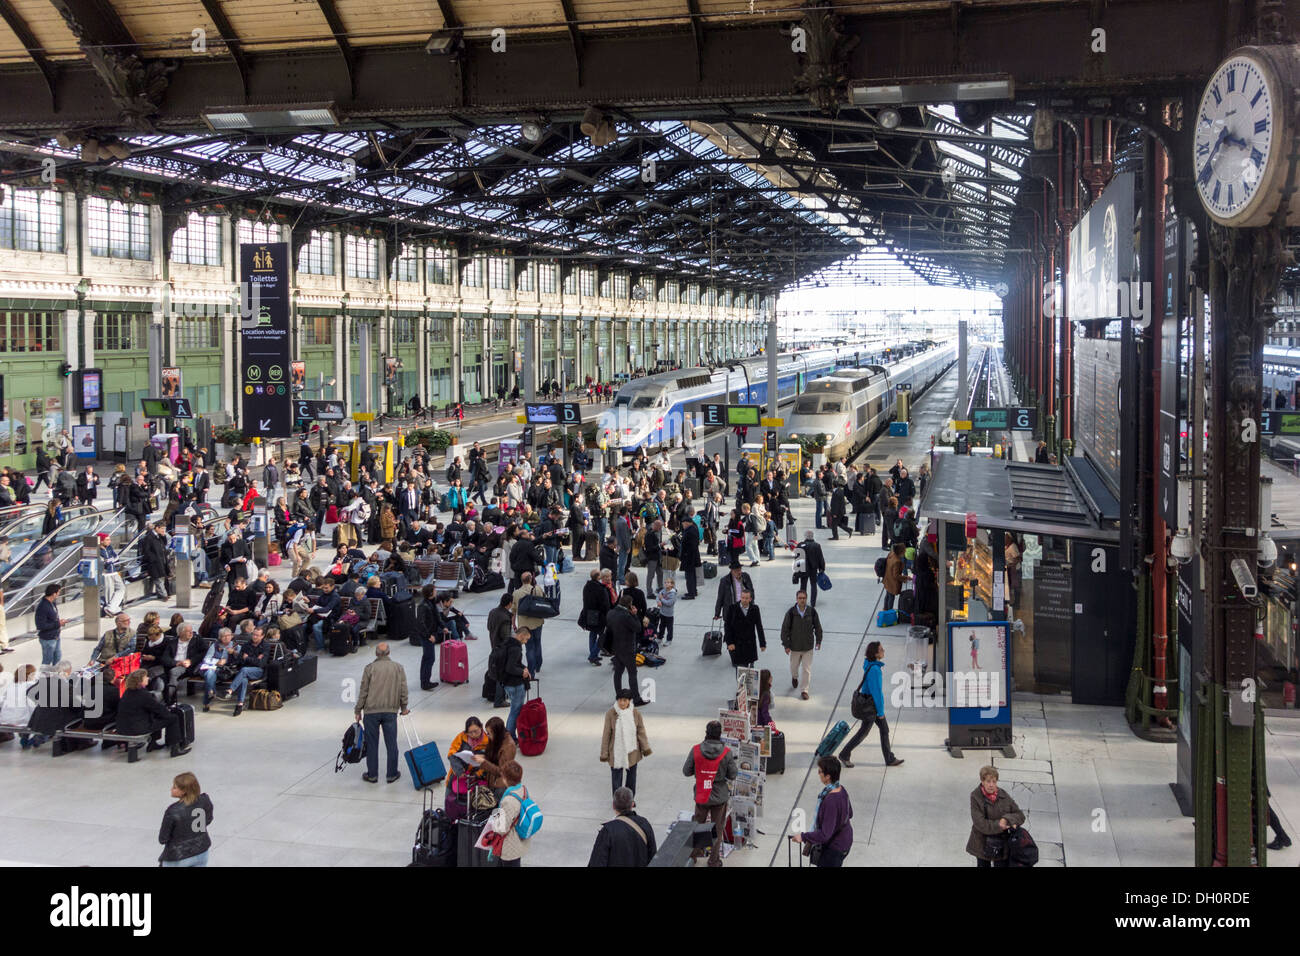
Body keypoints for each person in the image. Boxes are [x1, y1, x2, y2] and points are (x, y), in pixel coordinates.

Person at [839, 641, 904, 769]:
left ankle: (889, 758)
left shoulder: (870, 664)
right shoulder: (875, 669)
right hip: (871, 706)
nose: (884, 651)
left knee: (882, 730)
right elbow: (876, 693)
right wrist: (880, 713)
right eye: (881, 649)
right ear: (875, 654)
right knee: (865, 733)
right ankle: (844, 754)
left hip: (869, 704)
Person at [682, 720, 738, 868]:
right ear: (720, 735)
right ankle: (713, 860)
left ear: (706, 733)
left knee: (697, 825)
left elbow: (686, 771)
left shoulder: (696, 750)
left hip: (702, 794)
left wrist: (700, 772)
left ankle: (693, 855)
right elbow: (733, 774)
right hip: (719, 796)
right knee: (718, 829)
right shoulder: (726, 753)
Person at [355, 642, 410, 784]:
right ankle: (391, 774)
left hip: (371, 712)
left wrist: (358, 710)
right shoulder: (398, 668)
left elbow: (363, 691)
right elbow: (403, 690)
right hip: (390, 711)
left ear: (376, 653)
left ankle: (372, 775)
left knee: (372, 744)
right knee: (391, 744)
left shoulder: (369, 668)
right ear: (389, 653)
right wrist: (403, 707)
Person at [790, 755, 853, 867]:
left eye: (820, 771)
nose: (818, 774)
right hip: (846, 840)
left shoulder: (830, 801)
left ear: (828, 776)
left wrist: (803, 837)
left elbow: (825, 835)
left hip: (835, 849)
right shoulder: (841, 789)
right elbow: (850, 814)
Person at [118, 669, 191, 757]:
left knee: (156, 716)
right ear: (140, 681)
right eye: (146, 677)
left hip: (123, 727)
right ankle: (175, 749)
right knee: (173, 718)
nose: (148, 678)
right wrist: (169, 714)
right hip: (137, 728)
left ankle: (153, 744)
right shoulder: (143, 695)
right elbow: (159, 709)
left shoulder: (127, 692)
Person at [966, 765, 1025, 867]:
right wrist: (1000, 825)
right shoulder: (975, 796)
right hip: (982, 843)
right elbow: (980, 823)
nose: (991, 785)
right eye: (988, 781)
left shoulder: (1003, 795)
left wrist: (1007, 819)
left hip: (1002, 843)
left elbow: (1020, 815)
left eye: (994, 781)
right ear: (982, 781)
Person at [599, 688, 652, 796]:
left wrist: (645, 747)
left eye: (625, 700)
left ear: (629, 701)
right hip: (616, 752)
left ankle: (630, 799)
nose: (622, 703)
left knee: (631, 778)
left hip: (632, 751)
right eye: (620, 700)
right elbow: (606, 735)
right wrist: (604, 753)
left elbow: (641, 731)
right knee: (616, 778)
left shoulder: (635, 713)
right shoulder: (611, 714)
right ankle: (617, 800)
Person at [588, 786, 657, 867]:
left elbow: (597, 862)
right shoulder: (644, 824)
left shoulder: (608, 831)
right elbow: (653, 857)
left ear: (613, 805)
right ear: (632, 804)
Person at [158, 772, 214, 867]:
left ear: (184, 791)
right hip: (201, 850)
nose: (171, 789)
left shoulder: (172, 811)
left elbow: (163, 838)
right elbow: (208, 820)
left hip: (178, 857)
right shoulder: (205, 800)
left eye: (175, 787)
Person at [780, 590, 823, 700]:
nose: (802, 600)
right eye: (800, 598)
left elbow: (818, 627)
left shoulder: (812, 612)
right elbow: (784, 629)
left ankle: (804, 690)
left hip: (808, 647)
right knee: (793, 667)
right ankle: (794, 677)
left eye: (804, 598)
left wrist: (818, 641)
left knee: (806, 669)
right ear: (796, 599)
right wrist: (786, 645)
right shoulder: (791, 613)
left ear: (806, 599)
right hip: (795, 647)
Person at [607, 593, 647, 707]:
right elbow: (638, 628)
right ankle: (636, 698)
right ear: (629, 605)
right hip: (627, 649)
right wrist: (634, 615)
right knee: (632, 673)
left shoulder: (611, 613)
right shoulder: (627, 616)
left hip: (615, 648)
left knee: (618, 673)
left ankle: (618, 696)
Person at [493, 760, 532, 867]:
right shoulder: (523, 790)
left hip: (510, 846)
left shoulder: (509, 800)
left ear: (505, 779)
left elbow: (502, 828)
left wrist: (494, 820)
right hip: (519, 840)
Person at [226, 627, 270, 716]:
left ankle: (230, 690)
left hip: (258, 671)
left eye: (257, 635)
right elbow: (240, 659)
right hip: (245, 670)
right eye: (253, 634)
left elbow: (261, 663)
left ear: (262, 636)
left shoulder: (265, 646)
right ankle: (240, 704)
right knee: (243, 679)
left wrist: (247, 658)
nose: (254, 637)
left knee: (244, 670)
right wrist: (253, 659)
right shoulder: (246, 645)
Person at [512, 572, 547, 677]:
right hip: (537, 622)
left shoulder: (516, 593)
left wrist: (513, 623)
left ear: (521, 580)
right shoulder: (537, 589)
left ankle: (531, 671)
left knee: (529, 647)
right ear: (531, 579)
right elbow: (544, 601)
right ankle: (538, 665)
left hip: (524, 625)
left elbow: (513, 611)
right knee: (538, 643)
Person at [500, 627, 532, 739]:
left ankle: (510, 735)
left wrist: (524, 668)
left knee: (514, 710)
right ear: (521, 635)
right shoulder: (516, 648)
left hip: (507, 682)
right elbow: (511, 667)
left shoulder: (508, 643)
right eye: (526, 639)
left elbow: (514, 663)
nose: (526, 642)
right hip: (515, 684)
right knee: (515, 711)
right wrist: (522, 672)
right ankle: (511, 737)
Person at [475, 715, 518, 799]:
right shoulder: (496, 740)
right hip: (491, 781)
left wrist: (484, 762)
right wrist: (484, 757)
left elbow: (501, 771)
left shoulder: (508, 746)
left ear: (496, 732)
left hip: (500, 785)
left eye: (489, 733)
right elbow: (493, 757)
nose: (487, 735)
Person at [723, 588, 766, 669]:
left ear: (750, 599)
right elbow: (727, 626)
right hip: (737, 644)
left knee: (750, 672)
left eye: (746, 598)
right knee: (740, 671)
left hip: (750, 644)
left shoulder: (755, 609)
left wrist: (762, 643)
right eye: (742, 597)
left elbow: (759, 626)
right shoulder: (732, 608)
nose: (744, 600)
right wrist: (729, 642)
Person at [581, 569, 612, 666]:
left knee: (593, 633)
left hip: (589, 614)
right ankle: (593, 655)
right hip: (600, 615)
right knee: (602, 635)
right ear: (598, 577)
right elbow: (605, 605)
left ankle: (593, 653)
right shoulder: (601, 589)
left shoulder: (587, 586)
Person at [35, 583, 65, 667]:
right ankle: (44, 678)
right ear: (54, 593)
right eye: (58, 592)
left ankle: (55, 677)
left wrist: (59, 622)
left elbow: (53, 618)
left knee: (57, 657)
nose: (59, 594)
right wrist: (58, 624)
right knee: (47, 661)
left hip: (56, 636)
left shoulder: (52, 603)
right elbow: (41, 625)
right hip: (48, 639)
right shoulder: (43, 606)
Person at [794, 530, 825, 607]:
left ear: (805, 536)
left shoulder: (800, 545)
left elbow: (797, 558)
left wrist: (796, 570)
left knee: (803, 586)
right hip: (813, 569)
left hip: (803, 569)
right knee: (813, 585)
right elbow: (820, 558)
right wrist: (822, 568)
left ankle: (802, 602)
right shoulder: (817, 545)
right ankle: (813, 602)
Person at [883, 542, 907, 611]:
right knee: (891, 597)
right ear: (901, 552)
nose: (905, 552)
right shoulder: (897, 561)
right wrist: (905, 578)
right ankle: (889, 612)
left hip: (888, 579)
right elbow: (896, 575)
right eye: (904, 550)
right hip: (892, 582)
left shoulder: (891, 554)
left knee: (887, 595)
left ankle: (885, 609)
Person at [655, 576, 678, 646]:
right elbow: (658, 596)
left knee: (669, 628)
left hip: (669, 614)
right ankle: (659, 638)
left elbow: (669, 603)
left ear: (672, 584)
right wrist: (658, 601)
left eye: (668, 582)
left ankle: (669, 640)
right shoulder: (663, 591)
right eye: (665, 582)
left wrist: (661, 599)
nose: (666, 584)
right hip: (662, 613)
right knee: (661, 626)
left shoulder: (673, 594)